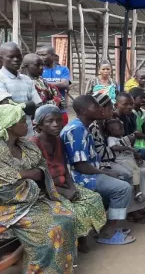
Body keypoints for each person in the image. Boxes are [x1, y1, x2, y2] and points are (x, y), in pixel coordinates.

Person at [0, 104, 77, 273]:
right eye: (22, 121)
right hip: (9, 205)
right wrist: (30, 175)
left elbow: (42, 170)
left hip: (32, 199)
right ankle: (38, 270)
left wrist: (25, 175)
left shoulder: (26, 145)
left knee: (67, 217)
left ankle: (59, 269)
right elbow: (5, 186)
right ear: (10, 125)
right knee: (50, 229)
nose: (27, 124)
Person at [61, 95, 135, 245]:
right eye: (95, 106)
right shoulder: (77, 130)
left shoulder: (84, 127)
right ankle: (108, 233)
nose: (100, 109)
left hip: (88, 172)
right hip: (79, 177)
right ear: (83, 111)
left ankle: (105, 225)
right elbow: (80, 166)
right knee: (123, 188)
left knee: (123, 177)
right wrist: (106, 172)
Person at [31, 104, 106, 253]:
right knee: (72, 209)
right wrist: (62, 191)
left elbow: (64, 167)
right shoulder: (34, 144)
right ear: (39, 124)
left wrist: (71, 187)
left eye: (58, 120)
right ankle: (72, 244)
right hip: (45, 189)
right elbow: (37, 179)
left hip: (63, 184)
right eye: (50, 121)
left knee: (93, 199)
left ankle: (82, 237)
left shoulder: (57, 140)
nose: (56, 124)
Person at [106, 119, 145, 203]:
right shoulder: (111, 139)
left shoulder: (123, 139)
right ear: (112, 131)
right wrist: (127, 147)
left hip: (130, 158)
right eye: (120, 128)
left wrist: (136, 156)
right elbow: (113, 147)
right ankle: (137, 191)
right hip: (122, 160)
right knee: (136, 170)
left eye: (123, 128)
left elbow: (132, 150)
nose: (122, 130)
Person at [0, 42, 42, 135]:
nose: (16, 59)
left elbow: (37, 105)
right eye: (11, 57)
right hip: (7, 134)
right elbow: (7, 106)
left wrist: (25, 106)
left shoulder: (26, 79)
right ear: (1, 58)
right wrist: (28, 106)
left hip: (28, 132)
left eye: (19, 56)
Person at [37, 45, 70, 124]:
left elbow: (65, 83)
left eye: (44, 55)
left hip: (59, 108)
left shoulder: (63, 69)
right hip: (43, 109)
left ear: (52, 55)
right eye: (39, 55)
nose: (41, 57)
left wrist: (43, 83)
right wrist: (57, 83)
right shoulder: (38, 69)